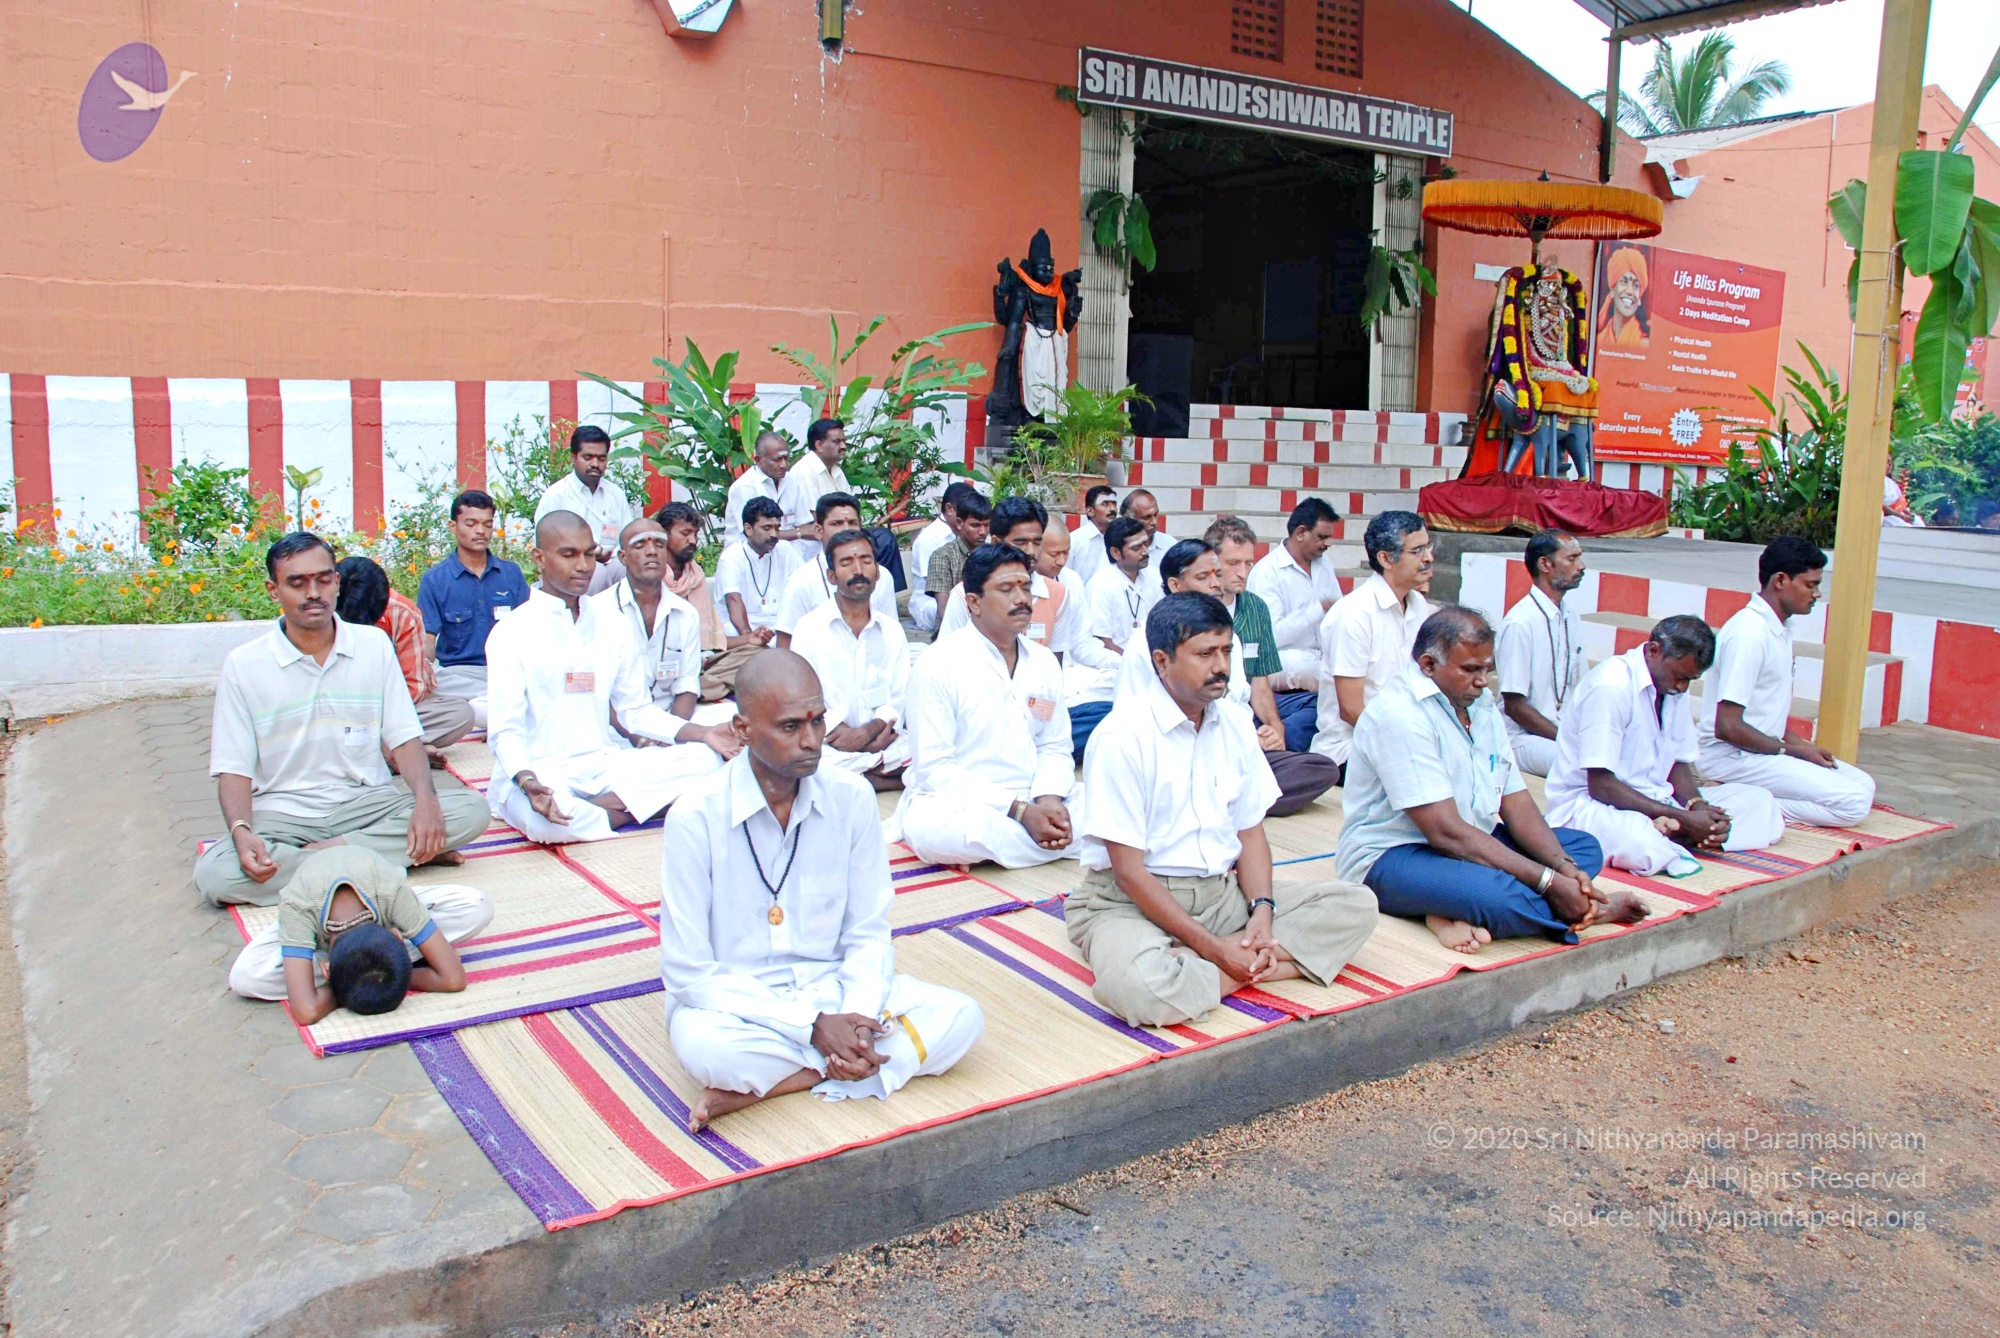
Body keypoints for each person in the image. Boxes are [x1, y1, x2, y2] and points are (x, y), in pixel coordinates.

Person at [659, 650, 984, 1132]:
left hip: (836, 988)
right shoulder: (695, 816)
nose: (811, 741)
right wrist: (812, 1027)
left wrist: (856, 1019)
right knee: (709, 1050)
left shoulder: (851, 797)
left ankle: (786, 1079)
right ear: (743, 729)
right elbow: (688, 973)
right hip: (740, 1003)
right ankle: (840, 1063)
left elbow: (868, 932)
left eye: (818, 721)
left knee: (961, 1018)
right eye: (791, 727)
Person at [1068, 593, 1377, 1026]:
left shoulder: (1234, 721)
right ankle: (1247, 963)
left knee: (1356, 905)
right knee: (1139, 989)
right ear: (1161, 661)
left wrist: (1262, 912)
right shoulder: (1122, 737)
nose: (1221, 666)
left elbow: (1250, 832)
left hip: (1220, 896)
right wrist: (1216, 950)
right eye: (1204, 654)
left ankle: (1207, 968)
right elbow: (1129, 873)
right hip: (1130, 902)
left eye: (1227, 651)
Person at [195, 533, 490, 907]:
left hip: (366, 804)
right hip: (283, 814)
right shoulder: (244, 665)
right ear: (273, 590)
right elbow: (233, 767)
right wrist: (241, 830)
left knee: (472, 809)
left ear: (336, 581)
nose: (313, 593)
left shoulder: (372, 646)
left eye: (322, 580)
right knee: (216, 873)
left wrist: (426, 799)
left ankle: (331, 860)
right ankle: (384, 860)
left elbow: (404, 737)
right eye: (297, 583)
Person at [1336, 606, 1643, 953]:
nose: (1483, 680)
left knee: (1582, 849)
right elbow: (1446, 833)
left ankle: (1447, 909)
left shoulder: (1478, 704)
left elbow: (1515, 801)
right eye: (1470, 669)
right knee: (1496, 896)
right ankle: (1589, 911)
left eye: (1487, 669)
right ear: (1428, 665)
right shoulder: (1400, 715)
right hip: (1394, 855)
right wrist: (1547, 882)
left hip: (1470, 841)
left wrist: (1562, 869)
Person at [485, 511, 731, 844]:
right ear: (539, 558)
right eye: (569, 554)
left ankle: (602, 812)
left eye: (589, 554)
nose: (583, 566)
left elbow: (635, 711)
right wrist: (527, 779)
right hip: (541, 771)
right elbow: (505, 731)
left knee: (707, 760)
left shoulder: (611, 623)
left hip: (605, 763)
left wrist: (704, 734)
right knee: (547, 822)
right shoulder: (512, 631)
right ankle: (634, 809)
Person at [1544, 616, 1785, 876]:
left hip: (1658, 800)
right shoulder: (1611, 686)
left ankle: (1680, 833)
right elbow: (1601, 785)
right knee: (1643, 846)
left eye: (1691, 679)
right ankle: (1678, 834)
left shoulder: (1672, 688)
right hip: (1591, 805)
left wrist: (1697, 807)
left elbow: (1677, 762)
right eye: (1680, 676)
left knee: (1762, 803)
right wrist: (1683, 818)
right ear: (1654, 651)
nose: (1683, 686)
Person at [1120, 539, 1342, 817]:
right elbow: (1130, 716)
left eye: (1217, 574)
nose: (1216, 584)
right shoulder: (1144, 642)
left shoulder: (1229, 637)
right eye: (1203, 576)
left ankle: (1220, 799)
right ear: (1175, 585)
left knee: (1321, 768)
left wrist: (1260, 735)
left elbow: (1238, 703)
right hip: (1171, 760)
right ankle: (1229, 799)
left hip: (1229, 755)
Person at [899, 544, 1081, 868]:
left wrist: (1049, 800)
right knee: (931, 830)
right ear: (974, 603)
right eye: (1006, 589)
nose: (1022, 599)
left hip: (1034, 793)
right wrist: (1020, 812)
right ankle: (1052, 841)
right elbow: (935, 768)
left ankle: (1024, 841)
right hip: (965, 804)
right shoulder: (938, 663)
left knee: (1111, 808)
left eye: (1025, 587)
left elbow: (1054, 745)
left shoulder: (1043, 661)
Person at [1698, 536, 1877, 828]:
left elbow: (1766, 713)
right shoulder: (1749, 634)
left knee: (1864, 785)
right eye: (1810, 585)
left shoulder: (1779, 628)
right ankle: (1730, 801)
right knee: (1854, 804)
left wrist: (1802, 745)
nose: (1817, 594)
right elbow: (1727, 726)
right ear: (1780, 580)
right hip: (1732, 757)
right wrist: (1792, 751)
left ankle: (1743, 794)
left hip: (1764, 751)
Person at [226, 847, 491, 1019]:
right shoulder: (298, 906)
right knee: (245, 977)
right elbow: (305, 1011)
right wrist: (369, 979)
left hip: (382, 892)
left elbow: (454, 979)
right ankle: (379, 964)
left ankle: (369, 966)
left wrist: (355, 981)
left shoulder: (390, 890)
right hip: (311, 913)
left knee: (477, 905)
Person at [589, 521, 743, 758]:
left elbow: (687, 686)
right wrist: (640, 739)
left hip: (670, 720)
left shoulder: (686, 613)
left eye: (660, 544)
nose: (652, 551)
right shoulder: (597, 612)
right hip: (615, 729)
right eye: (640, 545)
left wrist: (669, 734)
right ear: (623, 557)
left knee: (733, 733)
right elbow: (599, 694)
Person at [786, 528, 912, 787]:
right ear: (832, 576)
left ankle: (860, 779)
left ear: (877, 572)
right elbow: (803, 698)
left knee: (928, 748)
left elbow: (899, 695)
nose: (858, 570)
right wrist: (844, 735)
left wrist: (868, 733)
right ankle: (880, 779)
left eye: (866, 561)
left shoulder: (891, 630)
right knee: (799, 758)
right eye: (847, 563)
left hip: (883, 738)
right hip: (830, 742)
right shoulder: (809, 628)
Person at [1312, 510, 1435, 772]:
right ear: (1385, 559)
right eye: (1417, 551)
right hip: (1351, 749)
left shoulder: (1419, 606)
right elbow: (1351, 709)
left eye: (1428, 547)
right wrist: (1406, 744)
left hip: (1407, 739)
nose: (1429, 558)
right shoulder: (1354, 614)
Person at [336, 556, 475, 755]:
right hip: (332, 713)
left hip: (384, 712)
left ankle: (378, 747)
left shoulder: (402, 613)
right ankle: (397, 751)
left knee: (459, 714)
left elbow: (414, 688)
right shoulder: (317, 610)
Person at [417, 489, 531, 726]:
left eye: (487, 524)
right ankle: (502, 703)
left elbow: (530, 630)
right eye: (471, 524)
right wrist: (424, 671)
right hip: (458, 675)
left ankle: (492, 706)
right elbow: (427, 641)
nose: (481, 531)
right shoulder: (435, 579)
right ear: (453, 526)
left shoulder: (511, 574)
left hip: (506, 670)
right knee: (432, 676)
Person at [1209, 515, 1319, 754]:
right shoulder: (1196, 608)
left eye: (1248, 563)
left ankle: (1271, 743)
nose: (1242, 573)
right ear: (1212, 561)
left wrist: (1276, 726)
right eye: (1233, 563)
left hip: (1250, 703)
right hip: (1213, 708)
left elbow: (1260, 682)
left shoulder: (1256, 607)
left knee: (1322, 705)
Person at [935, 497, 1082, 657]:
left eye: (1037, 542)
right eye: (1021, 542)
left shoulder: (1057, 594)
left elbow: (1054, 662)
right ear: (996, 542)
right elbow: (947, 657)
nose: (1031, 551)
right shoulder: (965, 595)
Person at [1496, 529, 1588, 778]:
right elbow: (1515, 707)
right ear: (1545, 564)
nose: (1581, 566)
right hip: (1521, 738)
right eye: (1572, 559)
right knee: (1584, 765)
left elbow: (1581, 689)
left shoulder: (1571, 616)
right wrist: (1568, 739)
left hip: (1562, 732)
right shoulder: (1520, 623)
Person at [1067, 516, 1157, 763]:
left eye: (1146, 544)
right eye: (1137, 547)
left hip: (1150, 661)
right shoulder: (1101, 583)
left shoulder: (1153, 577)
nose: (1145, 551)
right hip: (1113, 663)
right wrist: (1134, 662)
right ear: (1116, 552)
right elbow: (1103, 640)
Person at [655, 499, 761, 702]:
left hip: (703, 660)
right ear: (664, 535)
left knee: (757, 653)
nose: (693, 541)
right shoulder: (652, 576)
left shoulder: (695, 575)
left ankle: (697, 688)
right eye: (685, 533)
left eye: (695, 534)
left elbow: (712, 642)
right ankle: (699, 688)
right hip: (664, 660)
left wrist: (749, 640)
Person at [1247, 497, 1344, 700]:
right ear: (1301, 533)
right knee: (1300, 663)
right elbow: (1271, 638)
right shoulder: (1268, 571)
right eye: (1322, 537)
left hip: (1322, 657)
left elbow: (1338, 612)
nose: (1328, 543)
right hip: (1281, 660)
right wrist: (1317, 610)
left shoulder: (1324, 564)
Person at [773, 491, 896, 646]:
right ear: (818, 531)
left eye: (852, 523)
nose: (846, 530)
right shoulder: (801, 581)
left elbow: (890, 634)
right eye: (837, 524)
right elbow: (785, 646)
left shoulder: (881, 575)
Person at [534, 424, 637, 595]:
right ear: (573, 458)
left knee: (632, 569)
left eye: (601, 458)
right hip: (572, 565)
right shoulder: (557, 495)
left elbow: (627, 539)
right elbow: (545, 544)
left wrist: (610, 553)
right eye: (588, 457)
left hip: (611, 561)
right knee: (596, 573)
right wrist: (588, 554)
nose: (595, 464)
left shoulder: (615, 494)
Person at [714, 496, 801, 644]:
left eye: (777, 528)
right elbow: (733, 600)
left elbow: (802, 586)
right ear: (748, 529)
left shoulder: (785, 550)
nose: (774, 534)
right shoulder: (732, 556)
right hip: (741, 630)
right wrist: (750, 637)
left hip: (778, 627)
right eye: (766, 528)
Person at [907, 482, 982, 633]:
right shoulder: (929, 539)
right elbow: (938, 590)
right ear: (949, 509)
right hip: (931, 603)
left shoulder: (970, 534)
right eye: (965, 510)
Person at [922, 487, 993, 620]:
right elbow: (944, 610)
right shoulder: (942, 557)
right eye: (975, 525)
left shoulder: (995, 556)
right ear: (960, 523)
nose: (983, 532)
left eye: (986, 525)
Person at [785, 417, 851, 561]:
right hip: (816, 543)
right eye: (837, 442)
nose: (843, 446)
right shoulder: (804, 471)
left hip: (842, 534)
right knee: (882, 540)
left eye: (843, 441)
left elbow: (852, 509)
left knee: (880, 539)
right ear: (819, 445)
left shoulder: (836, 470)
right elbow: (816, 519)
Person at [723, 431, 800, 546]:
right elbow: (756, 535)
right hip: (750, 553)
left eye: (786, 458)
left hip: (787, 551)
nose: (784, 465)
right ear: (758, 460)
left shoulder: (792, 480)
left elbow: (804, 523)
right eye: (777, 459)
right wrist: (800, 533)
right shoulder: (744, 486)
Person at [1066, 483, 1119, 586]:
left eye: (1114, 504)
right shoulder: (1075, 540)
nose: (1112, 509)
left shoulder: (1120, 538)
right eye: (1105, 504)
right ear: (1090, 511)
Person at [1118, 487, 1176, 574]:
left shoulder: (1170, 544)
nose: (1154, 522)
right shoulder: (1116, 548)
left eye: (1155, 514)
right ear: (1129, 519)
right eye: (1146, 517)